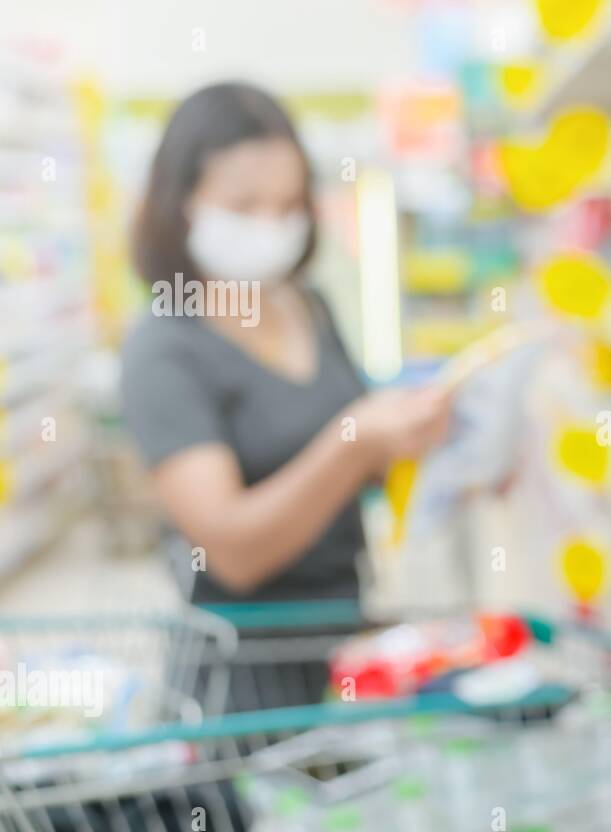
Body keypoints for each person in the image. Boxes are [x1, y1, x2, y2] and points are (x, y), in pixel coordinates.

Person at [121, 82, 449, 611]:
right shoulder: (163, 350)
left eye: (288, 205)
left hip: (343, 627)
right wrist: (353, 444)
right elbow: (232, 553)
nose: (271, 225)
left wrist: (423, 430)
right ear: (180, 204)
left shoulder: (309, 307)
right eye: (245, 206)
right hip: (246, 661)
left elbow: (369, 465)